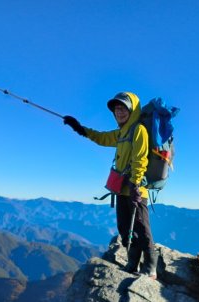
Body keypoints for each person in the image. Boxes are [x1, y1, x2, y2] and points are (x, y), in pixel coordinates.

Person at [63, 92, 158, 280]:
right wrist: (80, 129)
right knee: (124, 227)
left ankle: (150, 266)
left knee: (141, 227)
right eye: (116, 109)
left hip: (136, 189)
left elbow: (140, 159)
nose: (119, 112)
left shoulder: (138, 130)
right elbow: (102, 138)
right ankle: (133, 261)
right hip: (122, 188)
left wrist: (136, 184)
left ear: (132, 110)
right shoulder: (121, 132)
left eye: (123, 108)